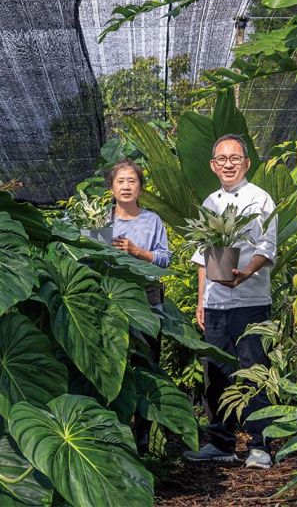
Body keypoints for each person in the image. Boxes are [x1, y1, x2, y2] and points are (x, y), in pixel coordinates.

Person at [182, 134, 277, 470]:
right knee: (216, 376)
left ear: (246, 163)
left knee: (253, 373)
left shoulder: (261, 199)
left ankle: (260, 446)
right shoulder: (210, 203)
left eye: (234, 158)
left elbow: (266, 250)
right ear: (213, 165)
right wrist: (200, 302)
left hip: (251, 302)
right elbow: (203, 257)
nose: (228, 164)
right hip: (216, 305)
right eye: (221, 159)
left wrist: (244, 275)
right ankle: (220, 443)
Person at [107, 158, 172, 452]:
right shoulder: (102, 222)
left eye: (132, 181)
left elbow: (164, 260)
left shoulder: (152, 221)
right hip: (111, 304)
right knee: (114, 367)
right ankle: (117, 432)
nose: (126, 186)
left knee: (145, 367)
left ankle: (143, 437)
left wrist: (137, 252)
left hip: (147, 304)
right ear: (111, 188)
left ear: (140, 188)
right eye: (120, 181)